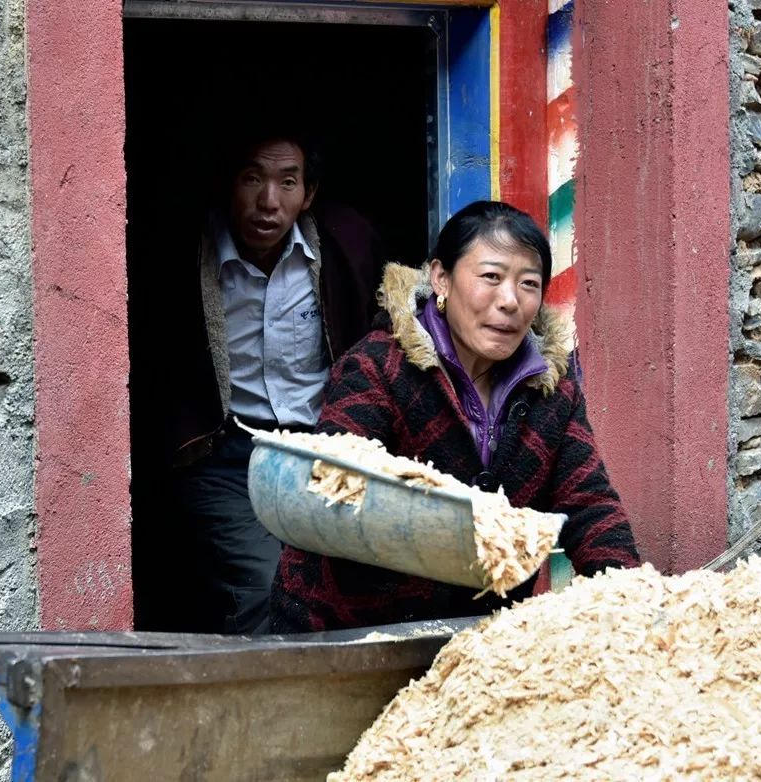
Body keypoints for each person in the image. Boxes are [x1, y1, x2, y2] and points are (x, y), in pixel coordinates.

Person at [270, 200, 640, 633]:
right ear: (441, 278)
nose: (509, 301)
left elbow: (589, 504)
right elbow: (335, 488)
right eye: (491, 277)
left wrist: (630, 604)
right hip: (347, 632)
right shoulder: (378, 366)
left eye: (528, 283)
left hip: (474, 642)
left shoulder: (552, 390)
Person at [169, 129, 385, 634]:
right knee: (263, 584)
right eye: (252, 179)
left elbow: (386, 332)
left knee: (351, 585)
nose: (268, 202)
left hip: (322, 453)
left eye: (288, 182)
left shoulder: (344, 247)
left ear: (308, 194)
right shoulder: (187, 251)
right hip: (225, 458)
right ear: (228, 184)